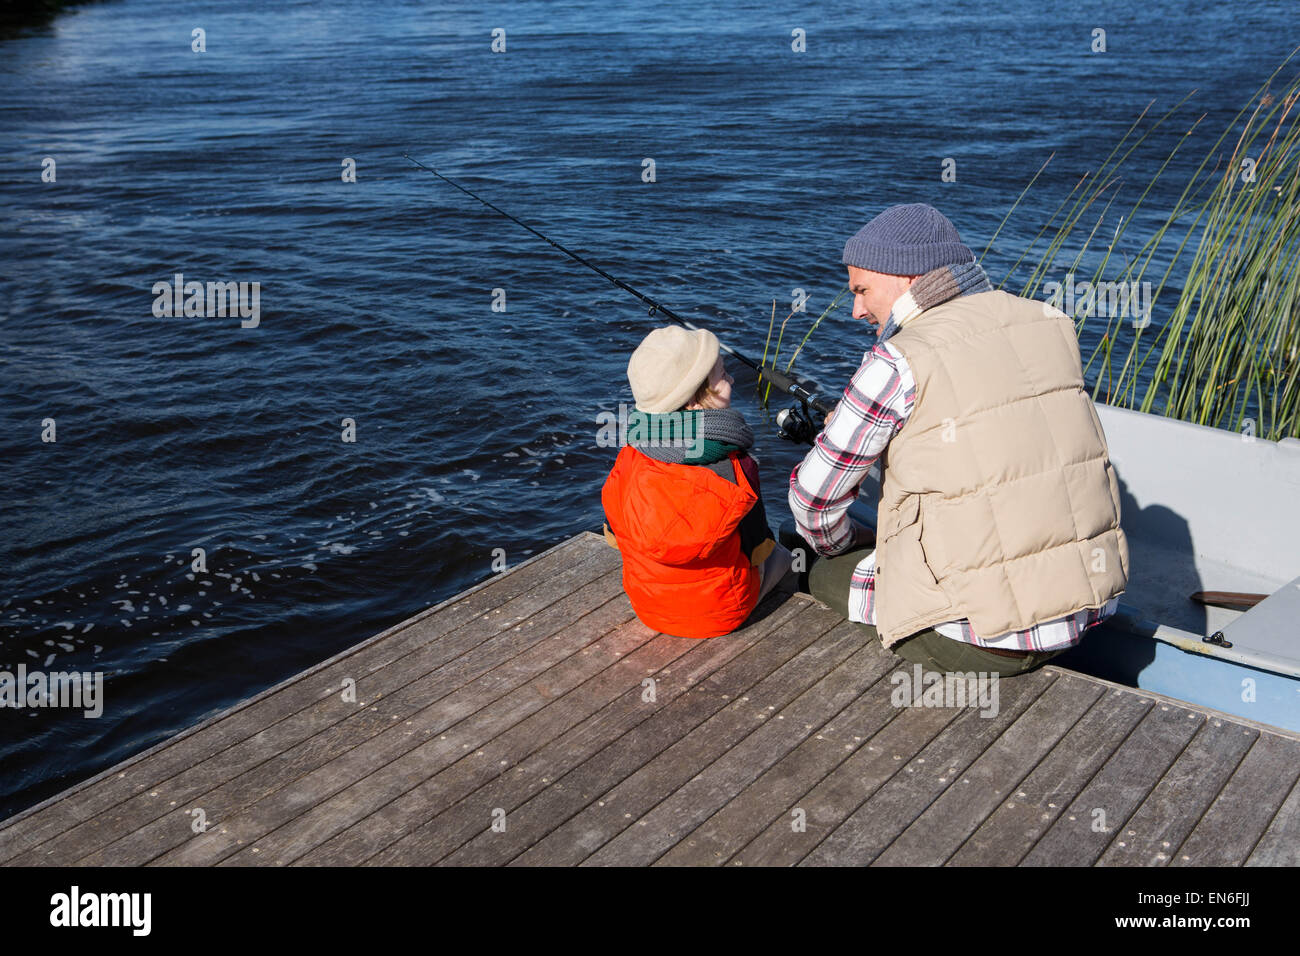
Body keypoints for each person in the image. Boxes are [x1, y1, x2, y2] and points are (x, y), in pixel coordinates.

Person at [787, 203, 1129, 676]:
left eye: (862, 290)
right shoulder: (1050, 322)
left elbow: (812, 499)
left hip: (980, 641)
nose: (856, 309)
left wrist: (843, 543)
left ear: (906, 277)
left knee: (801, 554)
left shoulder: (898, 359)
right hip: (1083, 617)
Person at [602, 325, 793, 639]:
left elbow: (613, 536)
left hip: (647, 608)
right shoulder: (736, 466)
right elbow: (758, 549)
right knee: (783, 557)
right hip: (723, 614)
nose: (731, 379)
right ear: (692, 400)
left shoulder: (629, 458)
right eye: (721, 375)